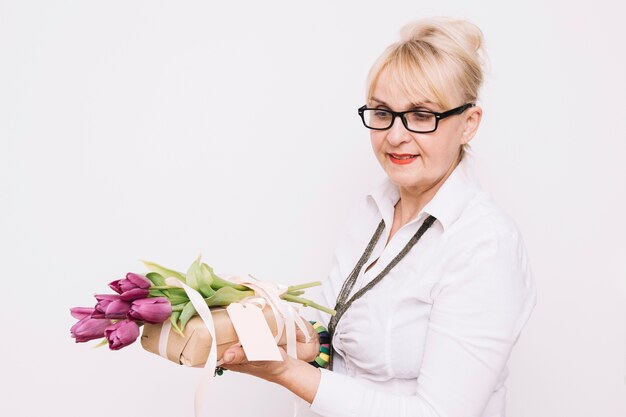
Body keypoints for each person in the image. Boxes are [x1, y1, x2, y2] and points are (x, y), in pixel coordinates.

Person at [221, 17, 537, 417]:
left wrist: (283, 370)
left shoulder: (484, 244)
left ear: (469, 124)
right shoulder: (373, 210)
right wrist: (260, 328)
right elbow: (333, 340)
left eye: (422, 115)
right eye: (383, 112)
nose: (395, 135)